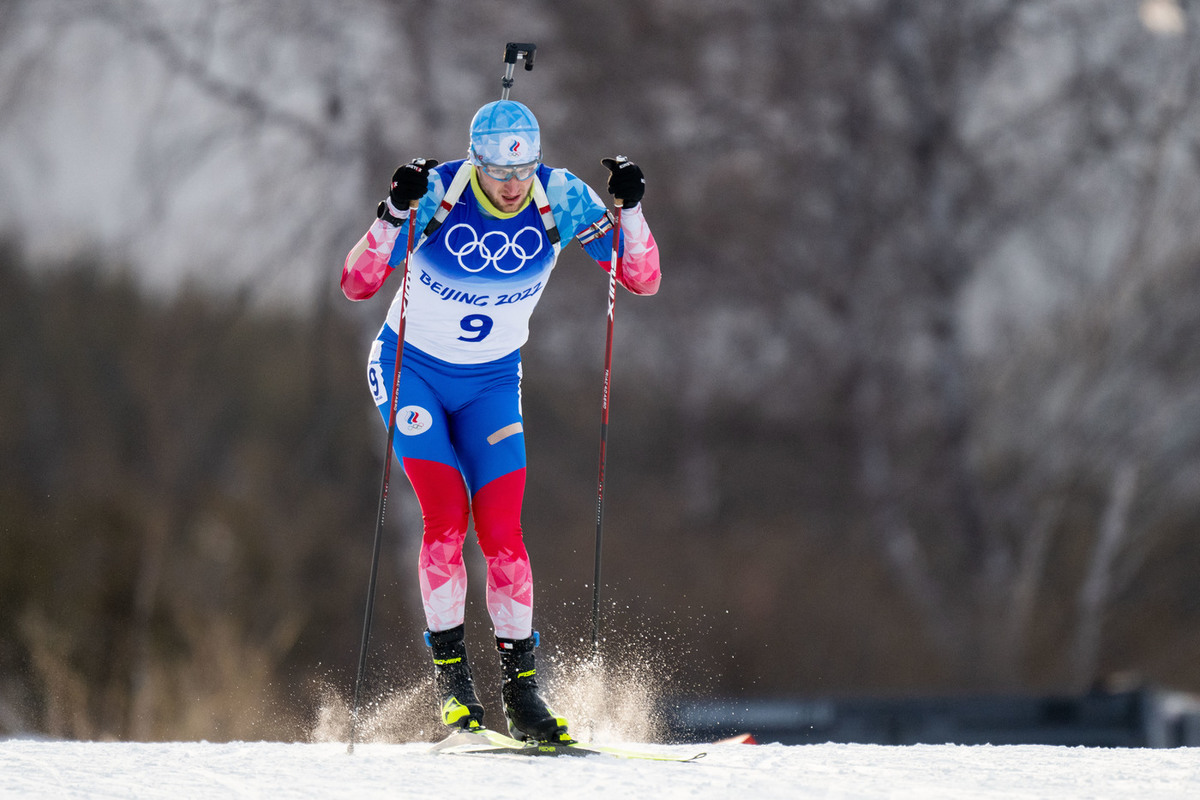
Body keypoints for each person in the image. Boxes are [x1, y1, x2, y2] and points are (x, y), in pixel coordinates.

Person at [340, 98, 660, 743]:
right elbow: (357, 283)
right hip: (412, 372)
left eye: (522, 174)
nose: (511, 188)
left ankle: (522, 695)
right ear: (475, 162)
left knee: (504, 538)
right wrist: (394, 213)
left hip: (490, 383)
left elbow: (640, 279)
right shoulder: (437, 190)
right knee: (445, 519)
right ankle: (454, 684)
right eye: (496, 174)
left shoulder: (559, 198)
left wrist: (632, 213)